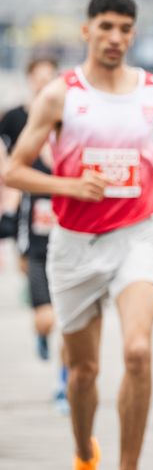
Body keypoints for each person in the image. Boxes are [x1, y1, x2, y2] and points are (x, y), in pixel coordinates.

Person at [5, 0, 153, 470]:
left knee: (138, 352)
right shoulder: (61, 94)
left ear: (133, 35)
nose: (115, 37)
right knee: (83, 370)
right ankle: (85, 452)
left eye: (124, 29)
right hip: (75, 243)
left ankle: (129, 465)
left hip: (138, 235)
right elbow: (13, 170)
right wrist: (69, 185)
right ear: (87, 31)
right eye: (106, 27)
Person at [0, 56, 59, 361]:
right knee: (28, 268)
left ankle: (67, 373)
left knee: (63, 315)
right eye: (39, 77)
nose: (43, 83)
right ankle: (41, 316)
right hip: (30, 214)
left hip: (65, 218)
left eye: (49, 77)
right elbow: (8, 166)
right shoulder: (15, 118)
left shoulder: (65, 117)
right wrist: (8, 207)